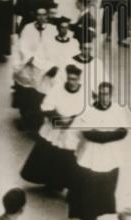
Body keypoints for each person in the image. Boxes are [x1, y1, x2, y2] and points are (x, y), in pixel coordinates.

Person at [67, 82, 128, 220]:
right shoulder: (88, 110)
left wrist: (100, 135)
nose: (104, 98)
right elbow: (86, 133)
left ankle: (92, 218)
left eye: (107, 94)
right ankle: (87, 218)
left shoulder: (117, 110)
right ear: (98, 95)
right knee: (86, 189)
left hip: (109, 159)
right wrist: (106, 135)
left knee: (102, 190)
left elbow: (122, 131)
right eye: (101, 94)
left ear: (111, 95)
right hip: (89, 157)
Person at [20, 63, 84, 191]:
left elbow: (87, 112)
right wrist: (59, 120)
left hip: (72, 131)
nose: (72, 82)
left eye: (75, 79)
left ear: (79, 79)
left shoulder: (85, 93)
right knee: (50, 154)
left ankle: (61, 183)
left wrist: (71, 121)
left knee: (66, 157)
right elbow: (46, 107)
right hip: (54, 127)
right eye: (70, 79)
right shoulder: (57, 89)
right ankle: (48, 181)